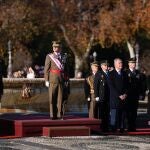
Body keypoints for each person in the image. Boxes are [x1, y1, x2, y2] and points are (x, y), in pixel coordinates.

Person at [44, 41, 70, 120]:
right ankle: (52, 115)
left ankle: (60, 115)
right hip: (52, 79)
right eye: (54, 47)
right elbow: (46, 69)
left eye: (57, 47)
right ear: (53, 48)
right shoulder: (49, 56)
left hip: (61, 79)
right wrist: (46, 80)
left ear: (60, 48)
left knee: (60, 98)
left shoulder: (64, 56)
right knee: (52, 98)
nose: (55, 48)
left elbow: (66, 70)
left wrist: (66, 80)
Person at [126, 57, 147, 131]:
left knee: (134, 111)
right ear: (128, 64)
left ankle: (133, 126)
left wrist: (142, 94)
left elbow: (142, 85)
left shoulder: (139, 73)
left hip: (135, 95)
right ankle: (129, 126)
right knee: (128, 112)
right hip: (127, 96)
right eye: (131, 63)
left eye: (134, 63)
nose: (133, 64)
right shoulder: (125, 73)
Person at [109, 58, 128, 133]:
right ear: (115, 64)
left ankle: (122, 128)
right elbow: (111, 87)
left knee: (122, 115)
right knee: (114, 115)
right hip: (115, 98)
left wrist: (125, 94)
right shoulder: (111, 74)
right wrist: (119, 95)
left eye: (121, 63)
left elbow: (127, 85)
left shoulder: (124, 73)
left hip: (123, 98)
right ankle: (113, 128)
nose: (121, 64)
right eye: (119, 63)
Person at [94, 60, 110, 132]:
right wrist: (96, 96)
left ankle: (106, 126)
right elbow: (95, 85)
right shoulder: (99, 73)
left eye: (107, 65)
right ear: (101, 66)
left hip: (108, 96)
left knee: (107, 112)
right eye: (105, 65)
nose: (106, 67)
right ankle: (101, 127)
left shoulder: (109, 73)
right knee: (101, 112)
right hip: (101, 96)